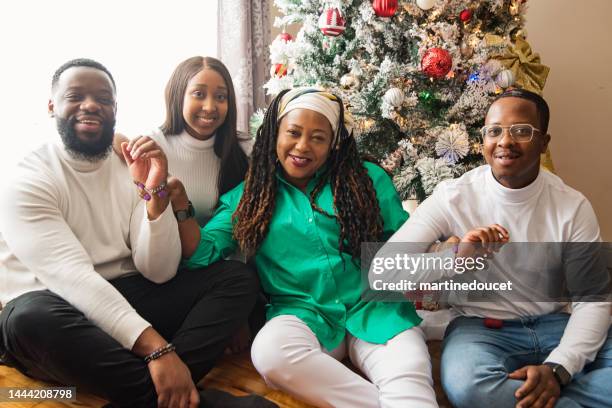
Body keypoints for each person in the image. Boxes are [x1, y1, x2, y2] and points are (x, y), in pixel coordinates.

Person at [0, 58, 273, 408]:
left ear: (116, 109)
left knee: (236, 279)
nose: (91, 105)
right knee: (28, 319)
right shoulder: (27, 179)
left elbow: (157, 272)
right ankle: (181, 395)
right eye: (76, 96)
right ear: (52, 106)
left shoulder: (131, 163)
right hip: (58, 305)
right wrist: (158, 350)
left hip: (126, 292)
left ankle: (155, 393)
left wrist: (155, 201)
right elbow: (74, 279)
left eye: (103, 98)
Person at [168, 88, 439, 407]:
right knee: (270, 353)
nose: (302, 146)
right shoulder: (251, 195)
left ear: (333, 143)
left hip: (376, 307)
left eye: (318, 138)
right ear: (275, 134)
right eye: (293, 133)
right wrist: (181, 205)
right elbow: (201, 254)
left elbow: (402, 243)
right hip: (303, 314)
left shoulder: (368, 179)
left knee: (408, 372)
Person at [378, 88, 612, 408]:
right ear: (484, 139)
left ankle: (546, 392)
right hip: (481, 330)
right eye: (494, 131)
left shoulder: (571, 206)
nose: (505, 141)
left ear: (544, 143)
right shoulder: (454, 197)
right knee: (467, 385)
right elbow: (384, 271)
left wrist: (559, 369)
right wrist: (457, 259)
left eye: (521, 131)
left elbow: (593, 301)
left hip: (557, 324)